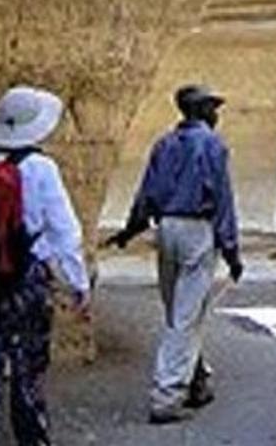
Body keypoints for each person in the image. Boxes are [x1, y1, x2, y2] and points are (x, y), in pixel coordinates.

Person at [0, 85, 91, 446]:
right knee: (28, 370)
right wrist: (78, 285)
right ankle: (32, 439)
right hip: (23, 281)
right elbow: (64, 233)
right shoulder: (41, 168)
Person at [104, 84, 243, 424]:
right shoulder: (212, 144)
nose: (216, 114)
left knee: (178, 309)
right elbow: (222, 200)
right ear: (201, 111)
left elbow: (147, 193)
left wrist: (130, 230)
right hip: (198, 230)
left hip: (166, 228)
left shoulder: (164, 144)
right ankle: (166, 396)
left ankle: (197, 381)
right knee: (185, 314)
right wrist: (232, 251)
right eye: (212, 107)